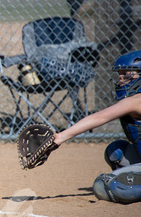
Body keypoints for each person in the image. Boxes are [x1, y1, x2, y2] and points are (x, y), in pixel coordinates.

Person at [53, 50, 141, 204]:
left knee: (104, 186)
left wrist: (60, 137)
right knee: (116, 152)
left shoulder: (136, 100)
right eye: (120, 74)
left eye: (127, 73)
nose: (121, 79)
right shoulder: (132, 99)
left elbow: (99, 117)